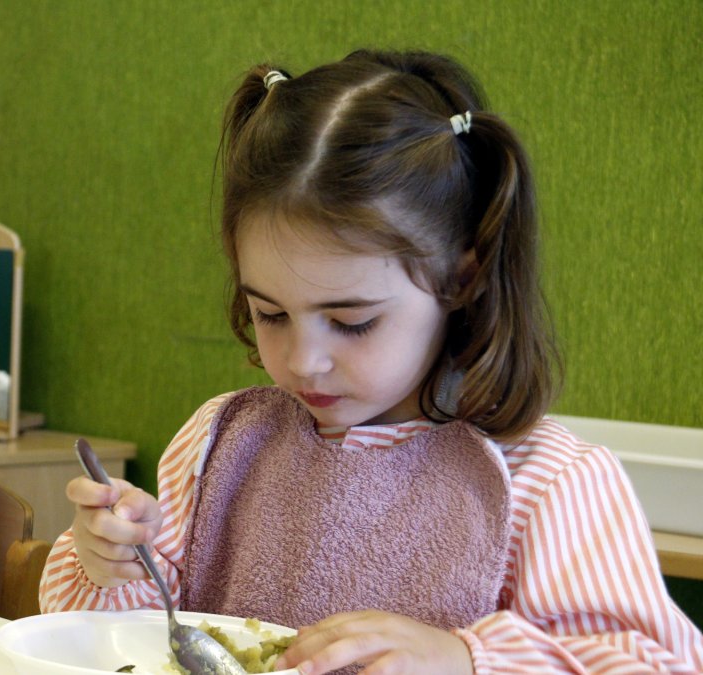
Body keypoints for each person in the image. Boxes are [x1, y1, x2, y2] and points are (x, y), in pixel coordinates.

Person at [39, 50, 703, 673]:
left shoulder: (548, 481)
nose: (304, 360)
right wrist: (110, 562)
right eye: (271, 313)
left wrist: (465, 656)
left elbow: (657, 660)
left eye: (353, 321)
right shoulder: (221, 443)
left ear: (461, 279)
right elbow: (133, 639)